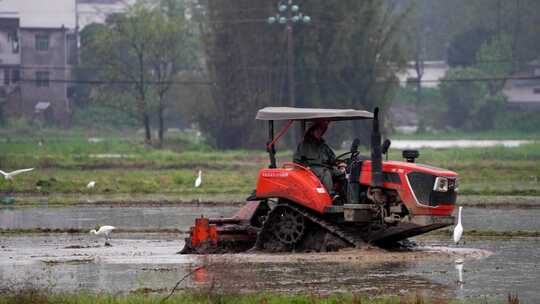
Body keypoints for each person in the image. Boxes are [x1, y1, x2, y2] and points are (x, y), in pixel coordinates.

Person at [293, 120, 344, 200]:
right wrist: (304, 168)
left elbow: (333, 159)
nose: (320, 132)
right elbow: (297, 160)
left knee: (342, 174)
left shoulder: (323, 146)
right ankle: (332, 195)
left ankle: (344, 196)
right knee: (326, 172)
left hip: (325, 168)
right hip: (311, 169)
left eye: (321, 130)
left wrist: (341, 164)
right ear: (312, 131)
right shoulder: (304, 145)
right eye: (318, 130)